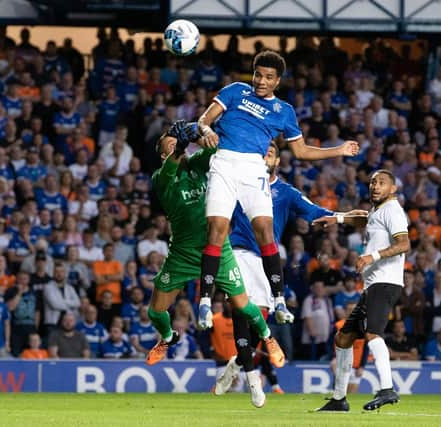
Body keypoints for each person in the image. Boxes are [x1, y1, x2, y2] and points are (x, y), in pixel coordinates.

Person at [195, 49, 359, 331]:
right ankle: (205, 303)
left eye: (268, 77)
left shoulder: (284, 111)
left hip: (253, 169)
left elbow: (302, 151)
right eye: (258, 74)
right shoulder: (235, 91)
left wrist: (340, 149)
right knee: (217, 229)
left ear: (277, 81)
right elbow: (203, 120)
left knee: (265, 231)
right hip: (223, 163)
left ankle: (279, 299)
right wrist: (206, 130)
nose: (261, 81)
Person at [215, 143, 364, 404]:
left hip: (267, 260)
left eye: (270, 153)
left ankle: (237, 363)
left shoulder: (285, 192)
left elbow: (314, 212)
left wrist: (343, 218)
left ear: (277, 163)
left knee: (256, 321)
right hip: (238, 253)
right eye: (261, 153)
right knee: (241, 313)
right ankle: (252, 382)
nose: (265, 156)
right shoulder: (238, 184)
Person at [145, 123, 284, 374]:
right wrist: (180, 147)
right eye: (171, 147)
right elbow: (169, 169)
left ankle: (267, 336)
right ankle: (167, 337)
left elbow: (216, 147)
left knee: (243, 303)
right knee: (155, 311)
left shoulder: (198, 163)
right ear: (164, 156)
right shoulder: (161, 178)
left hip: (217, 246)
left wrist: (200, 132)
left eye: (178, 143)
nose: (177, 148)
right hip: (182, 253)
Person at [314, 169, 409, 412]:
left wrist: (372, 256)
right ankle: (339, 399)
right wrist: (337, 219)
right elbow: (363, 217)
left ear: (393, 189)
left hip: (386, 282)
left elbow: (404, 243)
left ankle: (387, 389)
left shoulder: (393, 211)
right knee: (343, 338)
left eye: (382, 183)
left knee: (373, 333)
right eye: (372, 182)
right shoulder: (378, 211)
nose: (375, 186)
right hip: (373, 285)